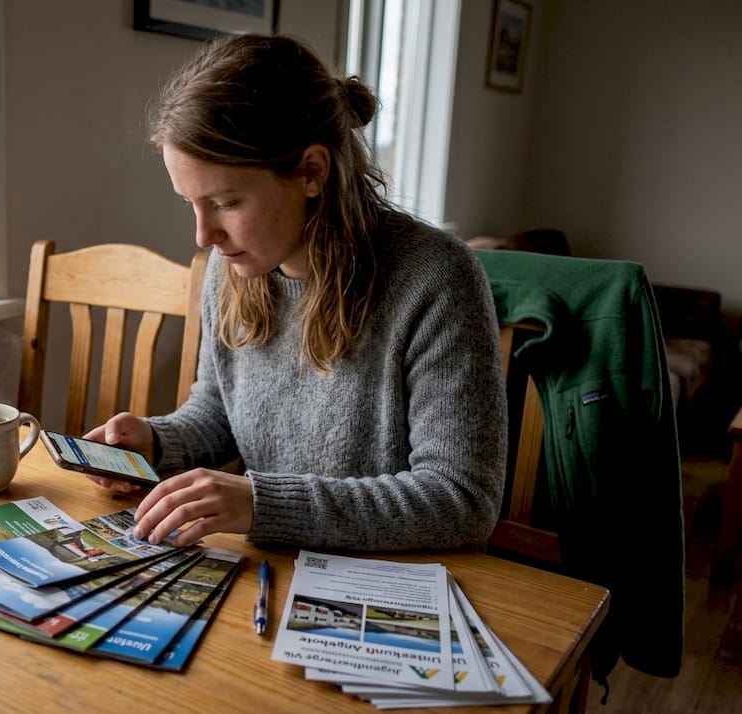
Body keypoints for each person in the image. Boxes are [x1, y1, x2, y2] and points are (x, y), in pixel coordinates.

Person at [82, 34, 507, 552]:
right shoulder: (231, 268)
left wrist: (262, 504)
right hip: (276, 566)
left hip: (394, 583)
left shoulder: (437, 279)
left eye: (225, 202)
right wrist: (155, 441)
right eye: (191, 203)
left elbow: (461, 500)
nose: (203, 236)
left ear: (311, 171)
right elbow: (219, 413)